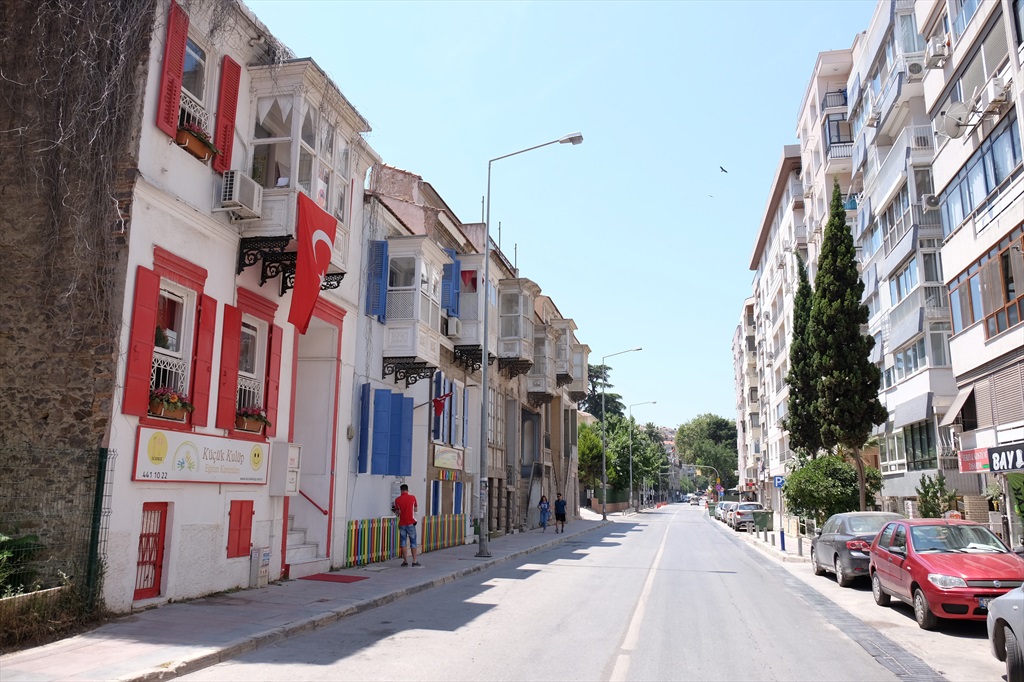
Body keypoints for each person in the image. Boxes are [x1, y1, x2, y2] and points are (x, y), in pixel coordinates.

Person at [393, 484, 420, 566]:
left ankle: (405, 561)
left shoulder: (397, 500)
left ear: (401, 490)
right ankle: (414, 561)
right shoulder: (412, 497)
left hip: (402, 523)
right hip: (411, 523)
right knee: (413, 542)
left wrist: (396, 511)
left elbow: (398, 512)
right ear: (407, 490)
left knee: (403, 542)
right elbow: (415, 509)